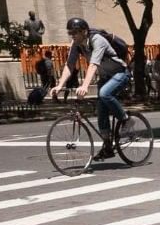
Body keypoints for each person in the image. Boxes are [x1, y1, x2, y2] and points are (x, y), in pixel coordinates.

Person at [48, 18, 130, 161]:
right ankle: (107, 146)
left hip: (120, 73)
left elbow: (93, 65)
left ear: (84, 32)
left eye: (75, 32)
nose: (72, 36)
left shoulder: (97, 40)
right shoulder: (77, 44)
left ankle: (126, 119)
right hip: (105, 77)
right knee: (101, 110)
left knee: (104, 93)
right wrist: (60, 85)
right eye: (70, 33)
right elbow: (69, 65)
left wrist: (85, 86)